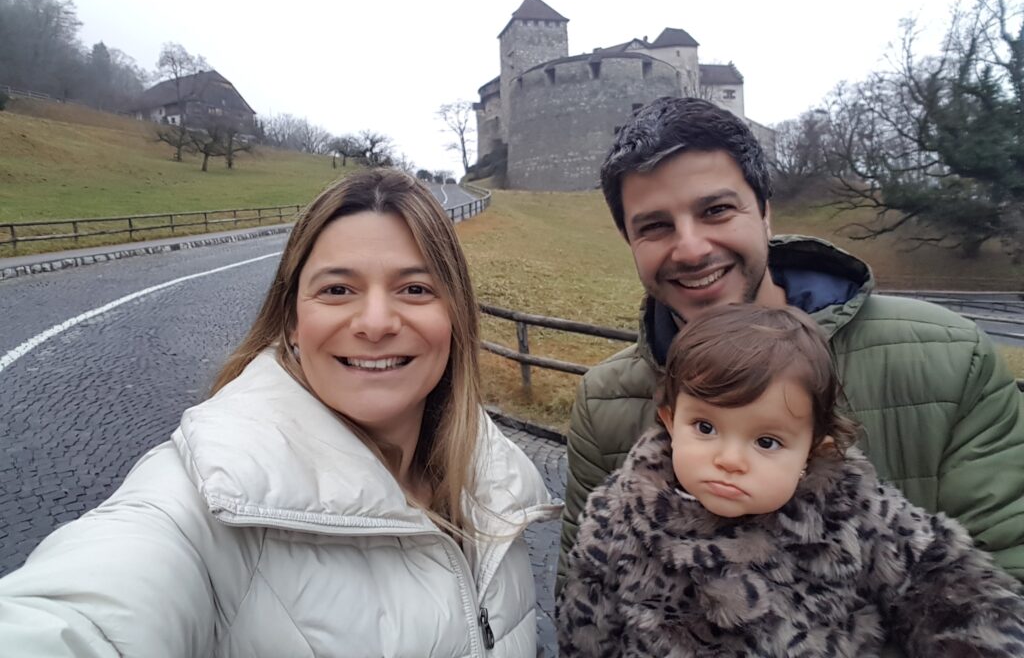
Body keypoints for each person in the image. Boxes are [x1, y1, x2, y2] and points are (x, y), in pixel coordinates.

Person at [0, 168, 559, 657]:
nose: (375, 322)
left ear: (456, 314)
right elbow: (80, 619)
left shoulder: (499, 481)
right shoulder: (209, 500)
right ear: (293, 321)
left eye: (414, 288)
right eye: (338, 289)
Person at [559, 96, 1024, 591]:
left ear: (764, 214)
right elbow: (584, 594)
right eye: (655, 226)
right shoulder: (604, 399)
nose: (691, 248)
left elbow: (1004, 597)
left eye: (716, 210)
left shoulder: (949, 358)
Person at [558, 304, 1024, 657]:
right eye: (705, 428)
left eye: (766, 441)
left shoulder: (852, 512)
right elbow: (586, 629)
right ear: (669, 420)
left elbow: (949, 583)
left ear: (814, 448)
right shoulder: (619, 517)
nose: (729, 459)